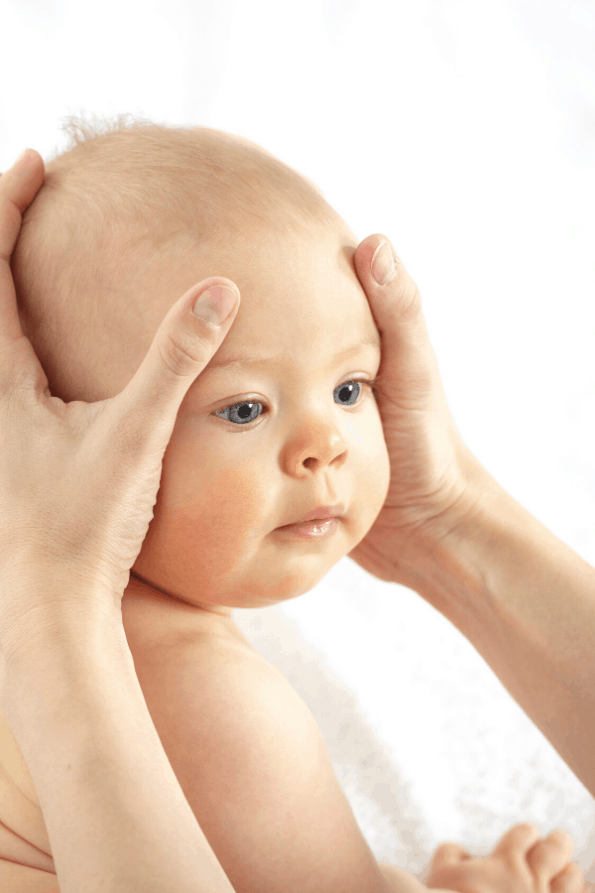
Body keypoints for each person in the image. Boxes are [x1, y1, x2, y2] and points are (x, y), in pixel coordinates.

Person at [0, 125, 592, 893]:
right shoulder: (214, 701)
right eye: (245, 408)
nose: (327, 444)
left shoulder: (42, 617)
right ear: (62, 447)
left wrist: (444, 510)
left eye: (348, 388)